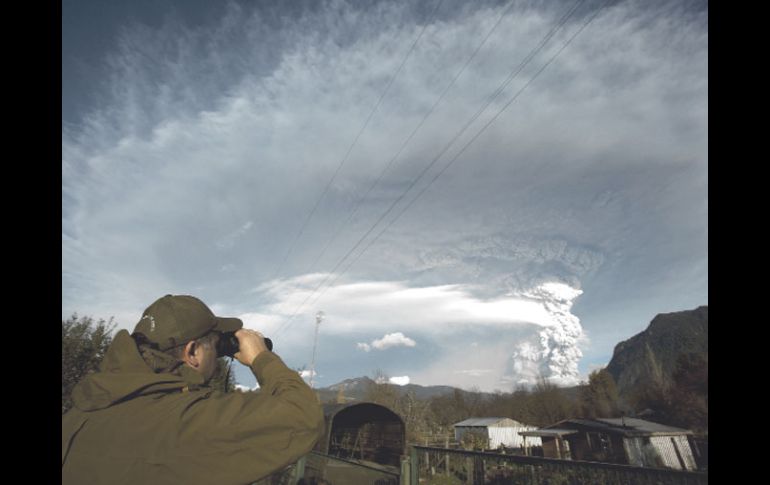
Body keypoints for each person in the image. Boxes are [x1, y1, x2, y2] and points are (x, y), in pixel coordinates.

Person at [62, 294, 325, 484]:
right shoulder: (186, 421)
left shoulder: (82, 410)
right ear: (192, 352)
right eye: (213, 344)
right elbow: (303, 417)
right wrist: (260, 357)